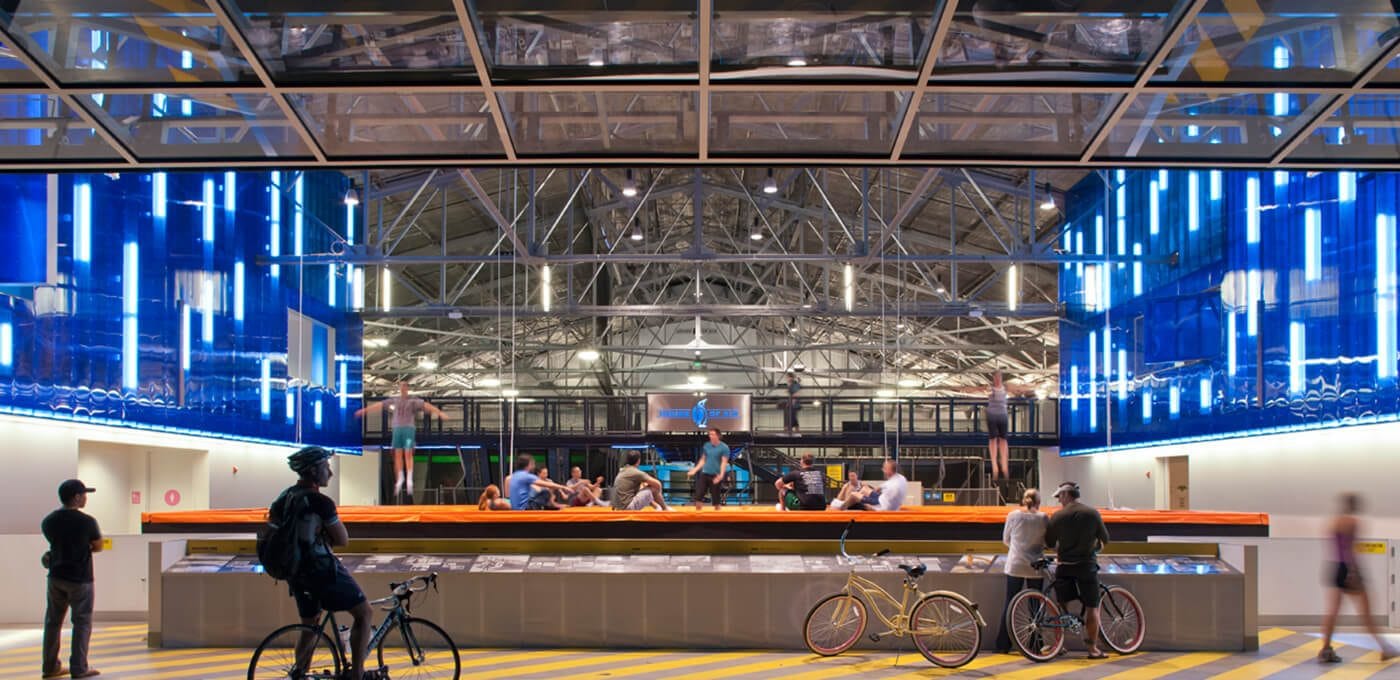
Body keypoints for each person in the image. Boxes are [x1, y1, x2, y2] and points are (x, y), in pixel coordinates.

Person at [274, 446, 372, 680]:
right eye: (326, 467)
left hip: (295, 572)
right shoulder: (321, 502)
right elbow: (342, 539)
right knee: (364, 613)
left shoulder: (284, 498)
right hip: (321, 569)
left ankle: (300, 673)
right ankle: (357, 673)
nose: (330, 473)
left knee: (310, 626)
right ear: (313, 470)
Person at [1318, 493, 1396, 663]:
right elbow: (1349, 548)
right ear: (1354, 505)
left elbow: (1337, 547)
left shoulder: (1334, 522)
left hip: (1336, 567)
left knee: (1333, 612)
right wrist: (1353, 573)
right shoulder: (1352, 522)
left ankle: (1325, 649)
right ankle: (1386, 648)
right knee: (1366, 612)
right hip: (1349, 568)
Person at [41, 479, 103, 679]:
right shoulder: (87, 521)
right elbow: (99, 546)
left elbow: (54, 544)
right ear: (76, 497)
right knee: (82, 622)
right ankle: (79, 668)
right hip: (80, 579)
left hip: (56, 577)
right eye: (84, 494)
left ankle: (50, 667)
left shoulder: (49, 521)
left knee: (53, 622)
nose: (85, 497)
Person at [1044, 482, 1110, 660]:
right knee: (1092, 607)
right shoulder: (1092, 513)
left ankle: (1061, 643)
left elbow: (1049, 543)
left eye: (1059, 497)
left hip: (1064, 566)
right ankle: (1093, 649)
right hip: (1086, 566)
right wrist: (1094, 547)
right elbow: (1105, 538)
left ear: (1066, 495)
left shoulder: (1057, 516)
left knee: (1061, 605)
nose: (1059, 501)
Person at [354, 381, 448, 501]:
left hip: (408, 429)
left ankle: (409, 478)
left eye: (405, 386)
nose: (403, 388)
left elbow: (426, 406)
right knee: (397, 454)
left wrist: (439, 413)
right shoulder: (394, 400)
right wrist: (364, 411)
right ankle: (400, 478)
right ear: (399, 388)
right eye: (401, 386)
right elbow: (379, 405)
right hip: (397, 429)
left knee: (408, 453)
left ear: (407, 388)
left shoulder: (413, 401)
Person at [995, 488, 1049, 654]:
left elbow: (1006, 540)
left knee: (1010, 603)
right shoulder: (1043, 518)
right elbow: (1048, 541)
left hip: (1015, 564)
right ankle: (1034, 644)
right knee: (1035, 605)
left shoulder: (1013, 515)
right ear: (1038, 502)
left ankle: (1003, 644)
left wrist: (1018, 548)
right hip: (1035, 567)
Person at [505, 455, 572, 510]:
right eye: (533, 463)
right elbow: (546, 485)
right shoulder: (526, 476)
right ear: (529, 464)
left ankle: (552, 505)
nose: (534, 465)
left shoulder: (511, 477)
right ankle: (550, 507)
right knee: (545, 492)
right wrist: (563, 487)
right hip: (525, 508)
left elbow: (507, 496)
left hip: (515, 507)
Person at [839, 458, 908, 511]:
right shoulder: (900, 478)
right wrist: (867, 490)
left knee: (853, 494)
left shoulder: (891, 485)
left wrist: (871, 506)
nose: (883, 470)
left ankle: (840, 508)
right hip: (882, 499)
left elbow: (886, 507)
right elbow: (878, 489)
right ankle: (853, 502)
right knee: (865, 489)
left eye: (884, 469)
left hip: (880, 505)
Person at [687, 427, 730, 510]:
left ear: (718, 436)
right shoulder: (707, 445)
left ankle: (718, 519)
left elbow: (724, 462)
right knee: (699, 496)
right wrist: (694, 470)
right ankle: (697, 517)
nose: (710, 436)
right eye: (709, 434)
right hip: (705, 474)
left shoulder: (724, 447)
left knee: (716, 500)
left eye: (712, 434)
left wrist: (721, 475)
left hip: (716, 475)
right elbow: (703, 460)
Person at [986, 371, 1010, 481]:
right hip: (993, 415)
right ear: (993, 379)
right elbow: (979, 389)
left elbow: (1020, 387)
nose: (997, 380)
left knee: (1003, 440)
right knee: (993, 439)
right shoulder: (990, 388)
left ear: (1001, 378)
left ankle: (1004, 463)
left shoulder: (1005, 387)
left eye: (999, 377)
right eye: (995, 378)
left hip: (1002, 416)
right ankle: (994, 464)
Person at [784, 372, 803, 436]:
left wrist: (792, 401)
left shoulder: (794, 384)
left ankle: (789, 430)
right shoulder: (791, 384)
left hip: (794, 405)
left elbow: (796, 393)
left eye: (788, 377)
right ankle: (794, 430)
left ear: (791, 377)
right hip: (792, 404)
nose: (787, 379)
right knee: (793, 417)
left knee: (791, 417)